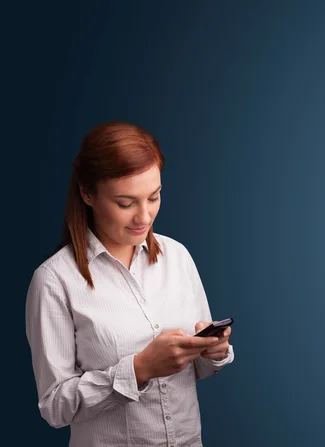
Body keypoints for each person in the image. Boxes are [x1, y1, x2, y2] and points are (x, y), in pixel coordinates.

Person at [25, 120, 234, 447]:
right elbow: (55, 407)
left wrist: (213, 352)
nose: (144, 217)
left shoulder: (176, 257)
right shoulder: (54, 281)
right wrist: (138, 370)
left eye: (154, 197)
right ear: (86, 193)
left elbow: (198, 372)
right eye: (126, 203)